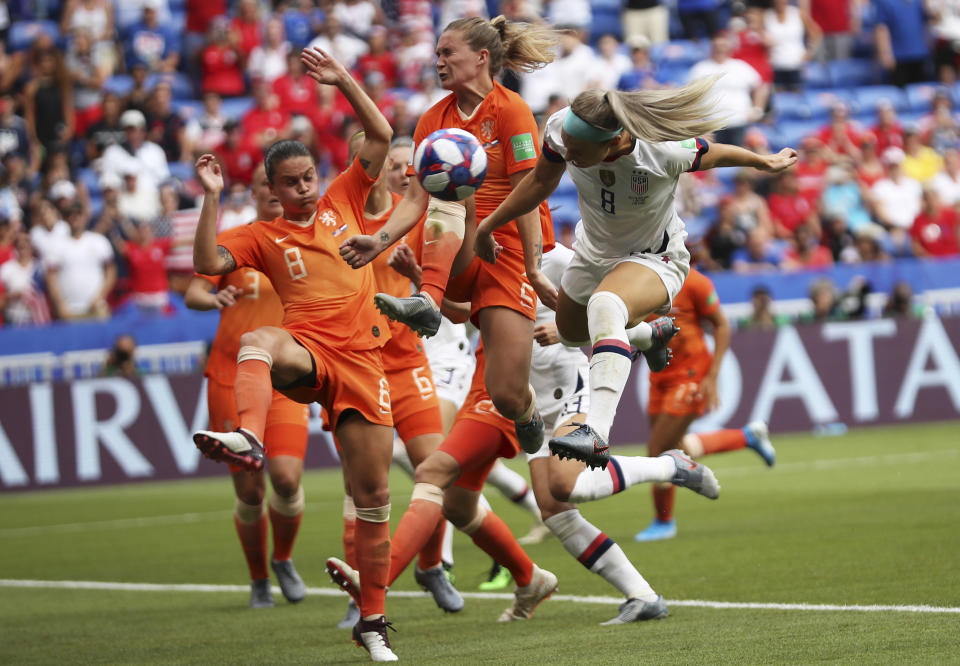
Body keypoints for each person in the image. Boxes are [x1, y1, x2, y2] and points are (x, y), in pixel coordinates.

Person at [190, 47, 399, 662]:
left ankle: (373, 621)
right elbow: (205, 266)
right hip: (306, 351)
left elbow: (382, 133)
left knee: (374, 499)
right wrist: (209, 196)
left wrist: (343, 82)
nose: (305, 187)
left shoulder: (344, 198)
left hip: (363, 360)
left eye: (309, 176)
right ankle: (248, 438)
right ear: (273, 191)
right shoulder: (263, 235)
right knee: (257, 342)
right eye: (291, 182)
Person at [476, 80, 798, 469]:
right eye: (568, 149)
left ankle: (596, 432)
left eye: (579, 152)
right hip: (593, 254)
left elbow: (714, 153)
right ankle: (648, 333)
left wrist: (763, 161)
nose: (570, 155)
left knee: (605, 304)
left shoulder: (660, 150)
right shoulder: (563, 128)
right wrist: (488, 226)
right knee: (573, 333)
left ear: (611, 144)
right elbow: (542, 181)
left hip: (655, 257)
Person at [339, 16, 560, 460]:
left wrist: (533, 266)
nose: (437, 62)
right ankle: (428, 298)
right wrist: (378, 240)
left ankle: (527, 414)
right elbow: (415, 198)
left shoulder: (510, 109)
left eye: (447, 53)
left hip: (507, 249)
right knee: (448, 191)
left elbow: (530, 192)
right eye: (437, 53)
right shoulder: (432, 120)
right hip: (455, 244)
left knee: (506, 395)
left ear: (481, 58)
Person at [522, 243, 721, 621]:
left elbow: (611, 311)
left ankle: (668, 467)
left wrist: (564, 332)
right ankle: (642, 596)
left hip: (572, 383)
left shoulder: (557, 259)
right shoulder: (487, 259)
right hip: (529, 401)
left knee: (562, 486)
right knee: (554, 509)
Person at [333, 133, 460, 631]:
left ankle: (431, 567)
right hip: (358, 367)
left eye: (408, 165)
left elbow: (437, 295)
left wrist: (416, 275)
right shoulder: (338, 224)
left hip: (407, 362)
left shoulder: (415, 222)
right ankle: (359, 592)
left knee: (436, 467)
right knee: (362, 485)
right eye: (388, 163)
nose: (402, 172)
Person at [185, 163, 310, 609]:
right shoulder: (240, 241)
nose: (276, 192)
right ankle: (259, 579)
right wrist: (213, 298)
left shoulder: (303, 238)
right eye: (266, 184)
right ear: (259, 191)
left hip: (286, 377)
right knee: (250, 490)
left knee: (287, 480)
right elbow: (195, 290)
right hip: (229, 378)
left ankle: (282, 559)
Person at [634, 268, 775, 541]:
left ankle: (664, 521)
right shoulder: (639, 280)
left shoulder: (695, 282)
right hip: (659, 375)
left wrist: (712, 376)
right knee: (676, 447)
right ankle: (746, 437)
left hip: (691, 373)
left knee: (658, 449)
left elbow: (721, 325)